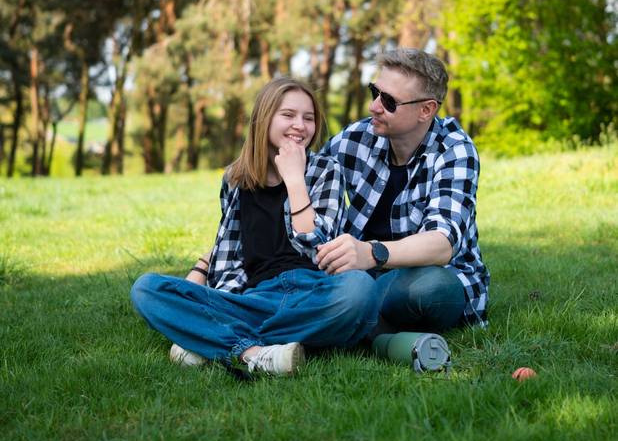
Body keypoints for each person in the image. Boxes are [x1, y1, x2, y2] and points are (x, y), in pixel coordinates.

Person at [131, 77, 378, 376]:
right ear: (264, 118)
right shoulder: (236, 179)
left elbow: (315, 244)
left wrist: (295, 179)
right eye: (288, 115)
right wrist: (196, 283)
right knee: (146, 289)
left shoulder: (326, 170)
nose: (300, 125)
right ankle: (255, 353)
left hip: (314, 292)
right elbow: (229, 251)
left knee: (360, 289)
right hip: (254, 299)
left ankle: (213, 339)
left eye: (309, 118)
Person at [316, 48, 489, 334]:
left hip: (424, 277)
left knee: (432, 289)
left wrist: (371, 252)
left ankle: (346, 317)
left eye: (389, 101)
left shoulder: (455, 149)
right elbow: (303, 184)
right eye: (375, 92)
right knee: (320, 277)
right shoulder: (355, 138)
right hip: (361, 277)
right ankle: (371, 327)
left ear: (426, 110)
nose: (374, 106)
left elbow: (442, 243)